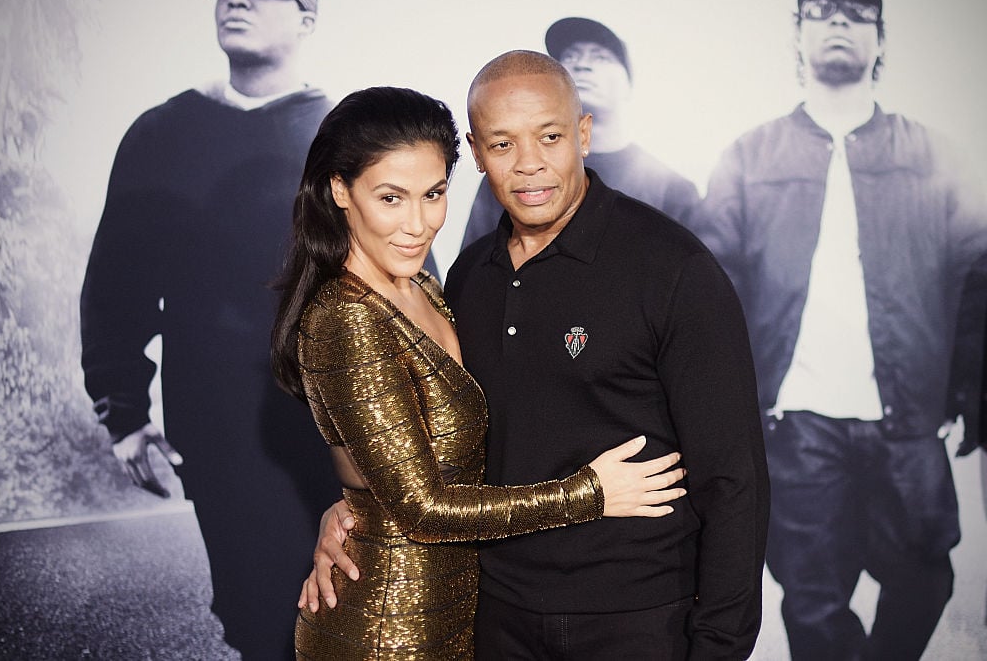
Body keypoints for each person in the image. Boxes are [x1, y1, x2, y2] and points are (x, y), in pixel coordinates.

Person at [306, 52, 770, 659]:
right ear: (474, 153)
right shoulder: (468, 277)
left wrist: (720, 646)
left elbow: (735, 481)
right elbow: (425, 448)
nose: (529, 164)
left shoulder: (673, 269)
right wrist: (354, 510)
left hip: (639, 619)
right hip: (494, 616)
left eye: (549, 137)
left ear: (582, 134)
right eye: (502, 144)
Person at [693, 0, 987, 659]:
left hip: (909, 423)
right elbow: (709, 290)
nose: (837, 22)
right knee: (812, 595)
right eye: (819, 10)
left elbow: (978, 281)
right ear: (796, 37)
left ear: (880, 41)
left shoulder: (936, 155)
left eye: (856, 14)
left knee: (925, 574)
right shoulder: (748, 156)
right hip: (796, 425)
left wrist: (970, 393)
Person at [79, 0, 341, 657]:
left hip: (341, 423)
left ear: (306, 19)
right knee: (258, 615)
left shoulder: (348, 136)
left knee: (353, 611)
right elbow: (117, 283)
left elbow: (411, 279)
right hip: (220, 425)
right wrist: (124, 414)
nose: (236, 0)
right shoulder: (161, 135)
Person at [460, 17, 698, 249]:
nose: (582, 65)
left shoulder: (673, 189)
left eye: (601, 57)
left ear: (627, 82)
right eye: (571, 57)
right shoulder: (508, 181)